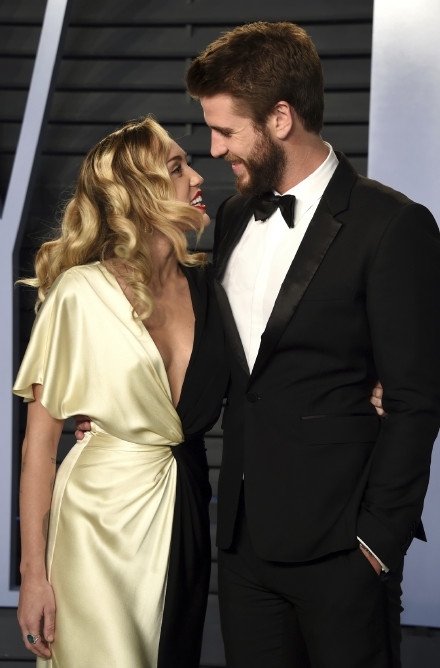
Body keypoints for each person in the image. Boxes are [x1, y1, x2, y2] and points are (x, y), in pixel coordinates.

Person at [185, 21, 440, 668]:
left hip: (342, 549)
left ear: (279, 118)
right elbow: (229, 367)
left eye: (225, 131)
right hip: (243, 550)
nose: (213, 149)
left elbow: (416, 397)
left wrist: (377, 542)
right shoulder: (233, 216)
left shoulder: (393, 225)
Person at [12, 115, 229, 668]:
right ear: (138, 191)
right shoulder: (80, 293)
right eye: (177, 168)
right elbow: (39, 446)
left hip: (185, 509)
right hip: (96, 521)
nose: (197, 177)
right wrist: (33, 574)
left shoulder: (211, 288)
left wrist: (370, 385)